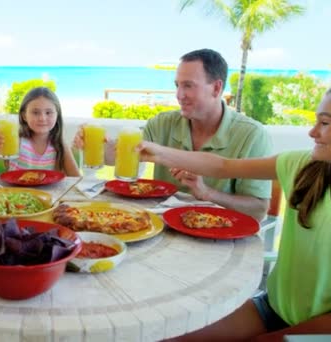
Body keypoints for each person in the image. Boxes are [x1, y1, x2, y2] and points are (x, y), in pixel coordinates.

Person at [137, 88, 331, 341]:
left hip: (320, 330)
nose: (313, 132)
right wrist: (158, 152)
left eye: (325, 123)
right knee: (164, 336)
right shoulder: (303, 166)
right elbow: (222, 166)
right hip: (271, 309)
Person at [74, 49, 272, 221]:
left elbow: (258, 210)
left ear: (217, 88)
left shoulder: (252, 135)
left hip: (221, 240)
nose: (179, 95)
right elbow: (118, 154)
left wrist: (207, 193)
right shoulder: (162, 123)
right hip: (163, 230)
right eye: (177, 85)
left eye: (188, 85)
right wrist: (95, 146)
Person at [0, 87, 80, 176]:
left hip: (49, 198)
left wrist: (80, 148)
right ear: (24, 116)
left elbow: (76, 179)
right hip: (17, 197)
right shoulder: (16, 141)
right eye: (35, 112)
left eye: (48, 112)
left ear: (57, 115)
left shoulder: (60, 146)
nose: (42, 118)